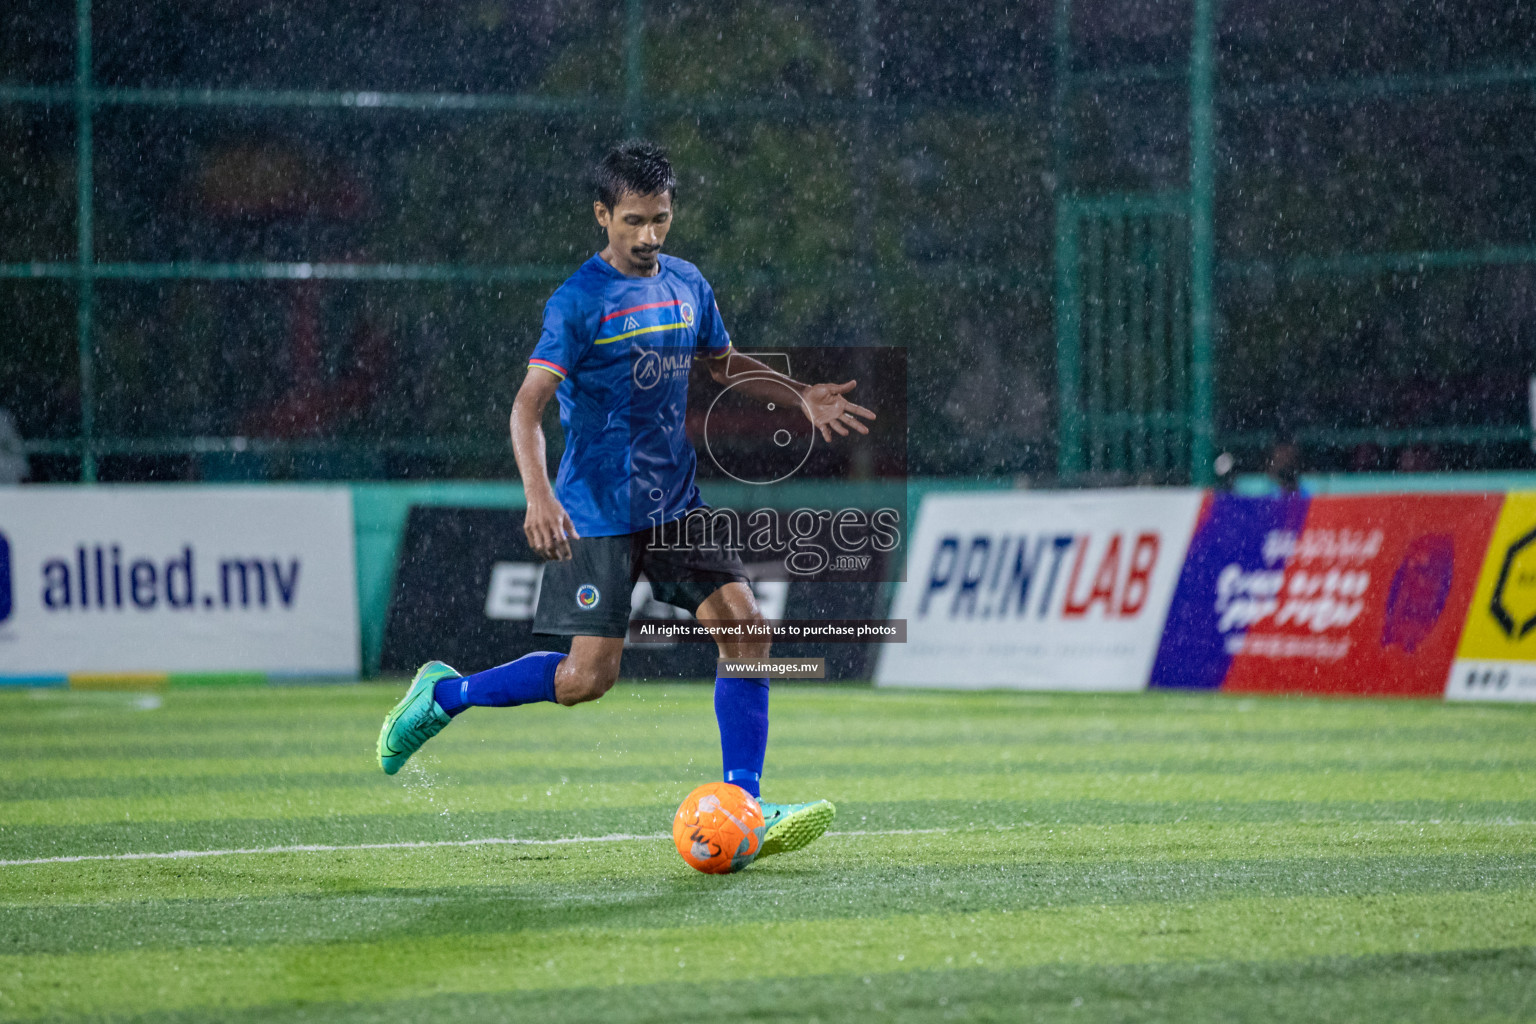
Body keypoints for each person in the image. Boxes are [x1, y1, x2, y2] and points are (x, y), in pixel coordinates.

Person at [375, 141, 876, 865]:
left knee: (747, 630)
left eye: (661, 220)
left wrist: (800, 393)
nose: (648, 237)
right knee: (585, 681)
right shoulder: (576, 303)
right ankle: (443, 695)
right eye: (634, 221)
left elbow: (723, 363)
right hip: (599, 515)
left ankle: (746, 805)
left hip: (674, 504)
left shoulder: (686, 283)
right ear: (603, 215)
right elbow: (527, 409)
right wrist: (539, 495)